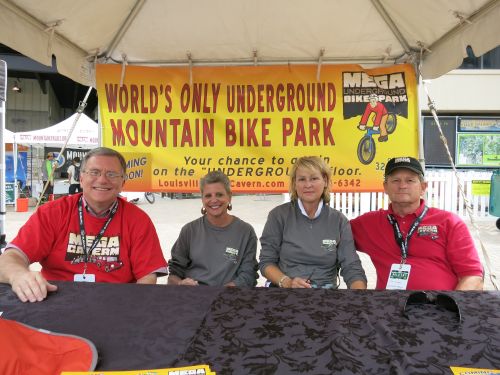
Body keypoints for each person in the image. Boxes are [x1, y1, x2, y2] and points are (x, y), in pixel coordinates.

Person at [0, 147, 168, 303]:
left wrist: (132, 308)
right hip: (56, 302)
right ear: (81, 179)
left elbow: (147, 277)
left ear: (123, 182)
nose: (102, 180)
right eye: (94, 172)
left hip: (116, 304)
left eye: (112, 174)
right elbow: (11, 257)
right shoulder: (52, 213)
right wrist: (18, 275)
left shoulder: (138, 219)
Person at [350, 156, 484, 291]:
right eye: (396, 180)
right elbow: (333, 231)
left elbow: (473, 276)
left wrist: (451, 306)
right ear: (385, 187)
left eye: (410, 180)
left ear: (423, 187)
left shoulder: (448, 222)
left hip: (439, 307)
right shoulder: (369, 223)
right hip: (389, 307)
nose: (402, 186)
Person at [259, 156, 367, 289]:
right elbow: (266, 262)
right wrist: (287, 282)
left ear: (325, 181)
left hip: (325, 294)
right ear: (294, 184)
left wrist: (360, 297)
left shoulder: (339, 221)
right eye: (302, 179)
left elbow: (352, 267)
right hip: (284, 291)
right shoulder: (278, 215)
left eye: (314, 178)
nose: (308, 185)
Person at [168, 171, 258, 287]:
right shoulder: (189, 230)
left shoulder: (246, 232)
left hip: (230, 297)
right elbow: (173, 275)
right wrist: (181, 283)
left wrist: (223, 292)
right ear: (202, 199)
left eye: (219, 194)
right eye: (208, 196)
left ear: (229, 197)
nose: (214, 200)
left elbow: (248, 275)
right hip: (193, 296)